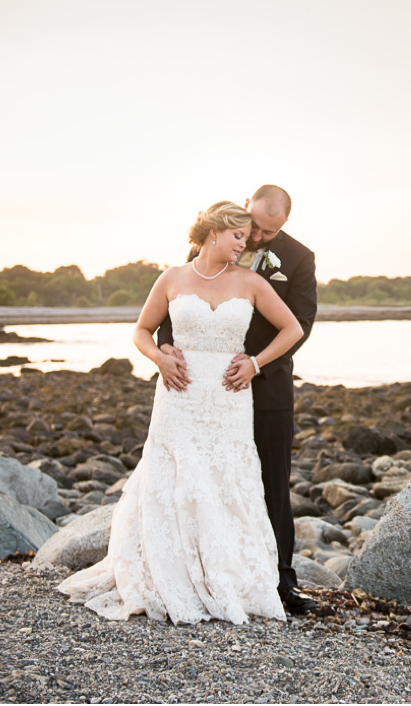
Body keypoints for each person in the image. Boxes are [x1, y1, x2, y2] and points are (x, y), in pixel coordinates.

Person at [57, 201, 303, 624]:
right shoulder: (171, 277)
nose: (245, 245)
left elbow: (293, 328)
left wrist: (255, 363)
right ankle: (168, 573)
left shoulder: (250, 282)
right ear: (214, 232)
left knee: (226, 479)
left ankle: (226, 575)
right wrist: (159, 358)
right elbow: (140, 330)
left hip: (228, 396)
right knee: (173, 477)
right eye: (238, 236)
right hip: (179, 394)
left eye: (247, 238)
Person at [156, 185, 319, 616]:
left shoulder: (300, 259)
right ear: (246, 208)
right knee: (203, 475)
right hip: (200, 388)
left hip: (266, 386)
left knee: (270, 480)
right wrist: (165, 348)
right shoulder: (217, 236)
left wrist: (257, 365)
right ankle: (203, 571)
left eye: (270, 231)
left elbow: (300, 323)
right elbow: (178, 303)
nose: (259, 237)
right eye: (256, 227)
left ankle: (280, 581)